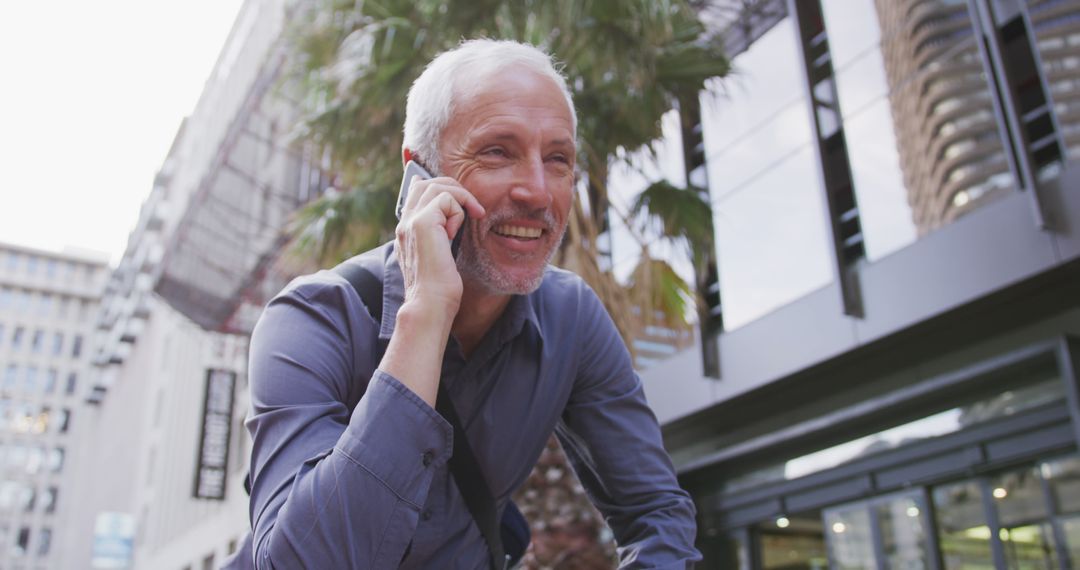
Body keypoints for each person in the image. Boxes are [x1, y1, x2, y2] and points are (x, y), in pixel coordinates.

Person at [238, 39, 701, 569]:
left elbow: (657, 514)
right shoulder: (311, 320)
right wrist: (426, 313)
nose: (537, 190)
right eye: (497, 151)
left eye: (558, 159)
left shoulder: (572, 317)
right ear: (419, 172)